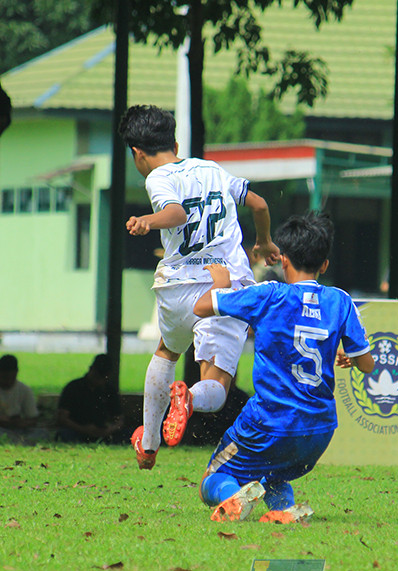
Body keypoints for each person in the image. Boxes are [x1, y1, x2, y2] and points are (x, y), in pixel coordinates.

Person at [118, 104, 280, 470]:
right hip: (224, 286)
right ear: (174, 142)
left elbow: (176, 214)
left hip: (177, 286)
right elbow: (259, 203)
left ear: (137, 154)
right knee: (217, 385)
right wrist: (265, 242)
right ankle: (188, 400)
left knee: (166, 351)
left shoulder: (156, 178)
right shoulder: (212, 169)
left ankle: (148, 443)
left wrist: (147, 220)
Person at [192, 212, 375, 523]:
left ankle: (231, 500)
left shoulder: (270, 294)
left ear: (284, 260)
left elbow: (201, 308)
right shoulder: (341, 301)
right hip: (318, 432)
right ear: (325, 265)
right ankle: (283, 509)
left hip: (268, 423)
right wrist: (345, 356)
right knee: (272, 470)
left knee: (211, 481)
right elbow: (367, 365)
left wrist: (221, 284)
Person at [55, 354, 124, 443]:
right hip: (77, 430)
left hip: (104, 431)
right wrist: (83, 429)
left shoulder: (110, 391)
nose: (99, 380)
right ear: (91, 369)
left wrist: (109, 430)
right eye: (97, 376)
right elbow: (62, 418)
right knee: (65, 434)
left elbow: (119, 419)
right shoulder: (73, 388)